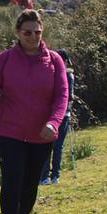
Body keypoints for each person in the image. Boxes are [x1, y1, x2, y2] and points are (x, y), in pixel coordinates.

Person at [0, 10, 69, 214]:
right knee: (12, 178)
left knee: (31, 180)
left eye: (37, 32)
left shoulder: (54, 60)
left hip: (43, 133)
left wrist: (54, 122)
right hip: (9, 130)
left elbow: (62, 95)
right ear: (18, 32)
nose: (33, 37)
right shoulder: (5, 58)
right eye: (27, 32)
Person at [39, 48, 76, 185]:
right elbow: (70, 96)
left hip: (50, 116)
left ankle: (44, 177)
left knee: (47, 145)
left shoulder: (49, 73)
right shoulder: (69, 75)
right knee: (58, 146)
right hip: (64, 114)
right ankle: (55, 176)